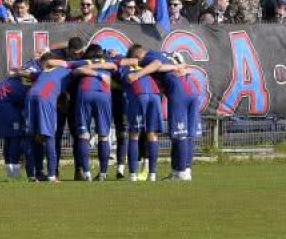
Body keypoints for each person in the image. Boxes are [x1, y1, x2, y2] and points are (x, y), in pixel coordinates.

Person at [129, 50, 200, 181]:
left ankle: (181, 172)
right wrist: (178, 67)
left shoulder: (148, 57)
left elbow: (157, 64)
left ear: (137, 56)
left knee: (179, 133)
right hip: (191, 89)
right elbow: (184, 66)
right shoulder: (167, 54)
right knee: (189, 134)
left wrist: (137, 74)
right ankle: (183, 170)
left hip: (179, 92)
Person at [0, 56, 42, 181]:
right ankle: (13, 173)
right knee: (15, 136)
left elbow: (16, 74)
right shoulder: (38, 74)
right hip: (6, 102)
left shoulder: (27, 68)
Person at [25, 52, 76, 182]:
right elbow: (80, 69)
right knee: (49, 136)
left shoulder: (43, 72)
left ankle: (32, 175)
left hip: (30, 95)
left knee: (32, 136)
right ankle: (52, 175)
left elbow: (26, 74)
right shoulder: (66, 70)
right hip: (45, 95)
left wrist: (17, 72)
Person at [118, 44, 164, 181]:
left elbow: (122, 79)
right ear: (137, 57)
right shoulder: (147, 68)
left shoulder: (124, 67)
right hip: (155, 95)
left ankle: (133, 175)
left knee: (134, 134)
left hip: (139, 95)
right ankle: (153, 175)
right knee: (152, 134)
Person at [71, 45, 118, 181]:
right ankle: (103, 173)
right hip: (104, 94)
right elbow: (118, 66)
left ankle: (87, 173)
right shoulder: (109, 62)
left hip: (85, 92)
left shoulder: (84, 62)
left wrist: (92, 70)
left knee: (83, 135)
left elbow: (75, 70)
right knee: (103, 136)